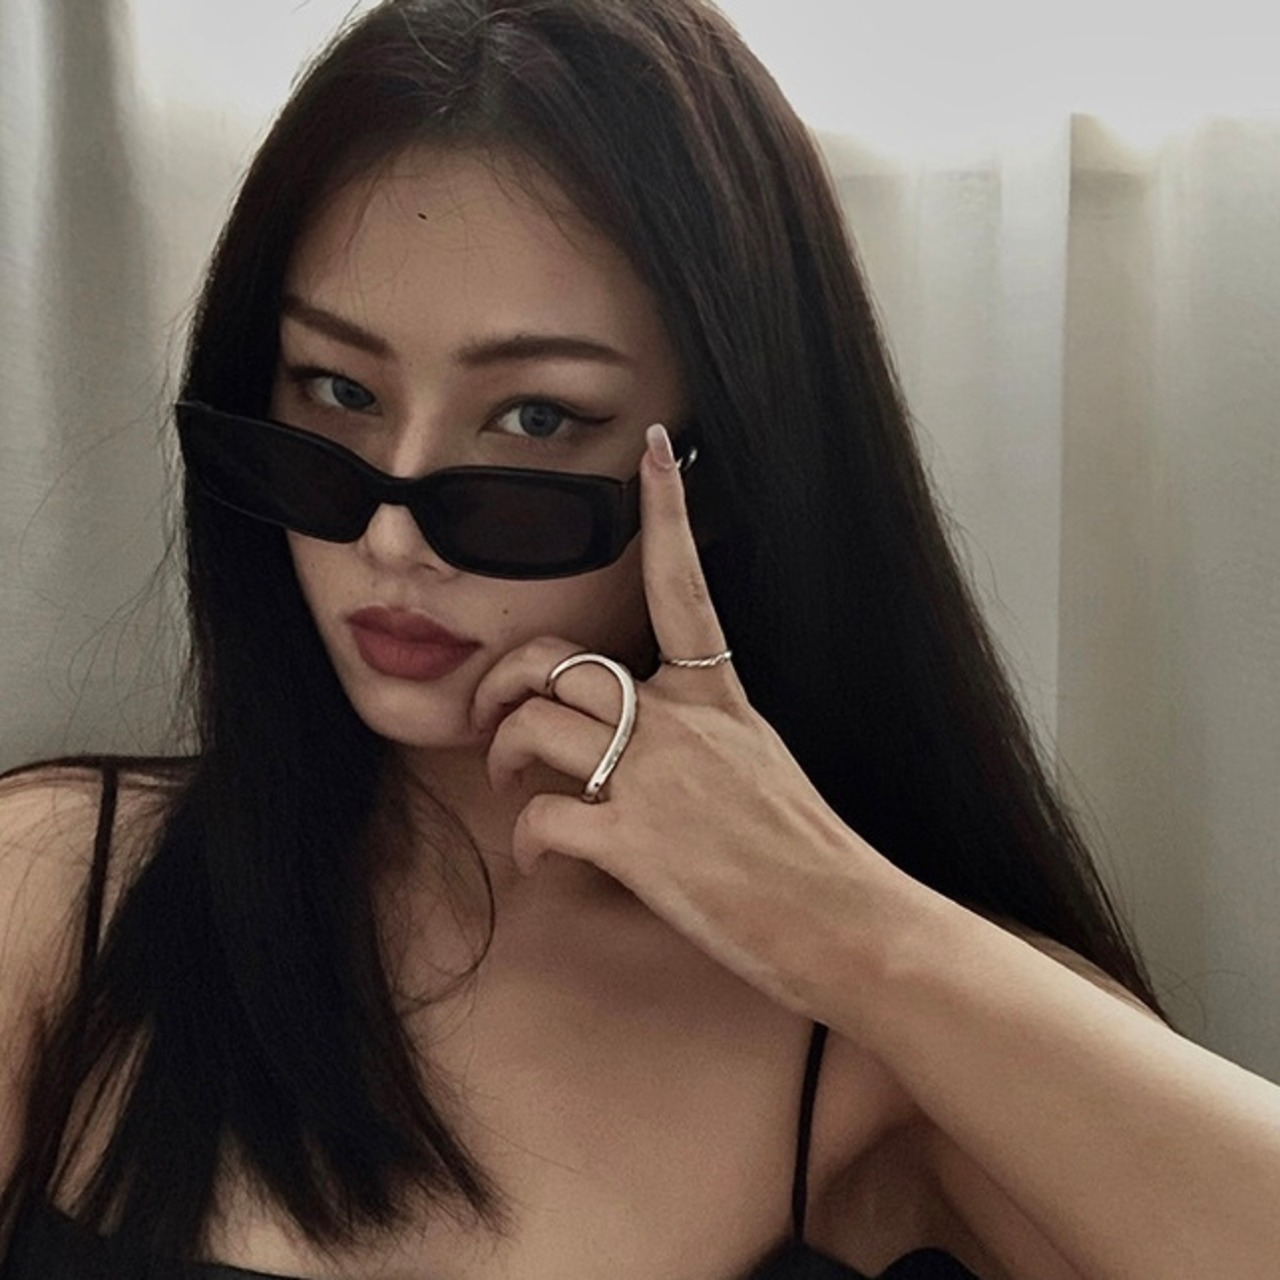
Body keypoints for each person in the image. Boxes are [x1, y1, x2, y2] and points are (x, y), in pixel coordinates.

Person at [2, 0, 1278, 1276]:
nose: (393, 535)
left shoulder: (870, 1028)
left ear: (725, 472)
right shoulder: (63, 893)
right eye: (337, 392)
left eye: (537, 420)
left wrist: (841, 920)